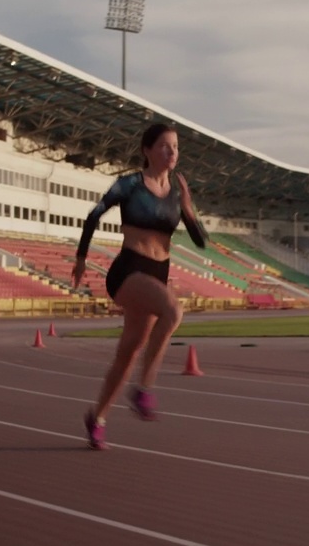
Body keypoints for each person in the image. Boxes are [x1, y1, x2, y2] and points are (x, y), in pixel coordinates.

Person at [72, 123, 208, 450]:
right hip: (129, 270)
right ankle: (144, 390)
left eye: (175, 147)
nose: (171, 152)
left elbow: (201, 242)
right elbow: (94, 215)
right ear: (147, 150)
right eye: (164, 146)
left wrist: (188, 209)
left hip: (157, 272)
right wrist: (80, 258)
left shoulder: (176, 194)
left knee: (127, 353)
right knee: (173, 311)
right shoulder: (130, 184)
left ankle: (98, 418)